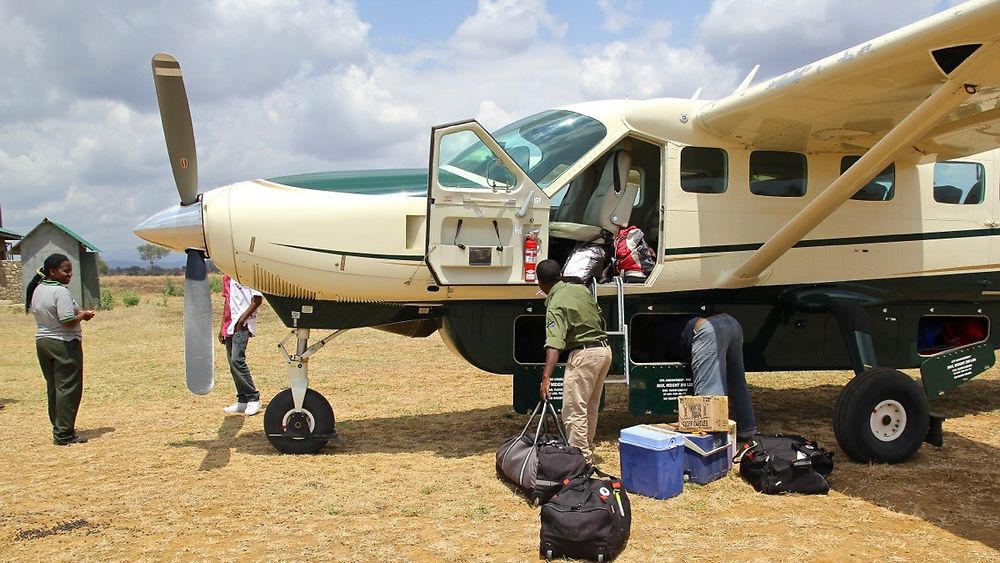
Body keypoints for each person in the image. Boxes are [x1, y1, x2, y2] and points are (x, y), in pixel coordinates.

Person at [537, 259, 612, 464]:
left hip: (584, 355)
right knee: (589, 407)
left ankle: (580, 462)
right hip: (604, 351)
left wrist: (546, 378)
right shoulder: (580, 290)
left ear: (541, 284)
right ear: (559, 275)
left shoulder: (556, 302)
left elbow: (554, 342)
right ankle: (586, 449)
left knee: (574, 411)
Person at [26, 253, 95, 445]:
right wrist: (83, 315)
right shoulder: (60, 292)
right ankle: (64, 434)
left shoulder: (38, 289)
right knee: (68, 388)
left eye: (70, 271)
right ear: (52, 271)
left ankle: (58, 427)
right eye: (66, 271)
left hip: (43, 342)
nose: (70, 275)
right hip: (63, 343)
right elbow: (66, 321)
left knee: (54, 387)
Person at [664, 313, 758, 443]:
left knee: (709, 389)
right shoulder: (672, 323)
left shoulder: (659, 333)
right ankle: (747, 431)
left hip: (708, 330)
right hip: (731, 323)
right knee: (736, 380)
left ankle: (714, 439)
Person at [219, 273, 263, 416]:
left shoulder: (247, 272)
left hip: (242, 323)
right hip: (230, 323)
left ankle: (253, 397)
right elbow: (227, 302)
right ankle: (242, 399)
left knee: (237, 360)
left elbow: (257, 300)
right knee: (232, 363)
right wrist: (222, 327)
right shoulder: (227, 276)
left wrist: (242, 320)